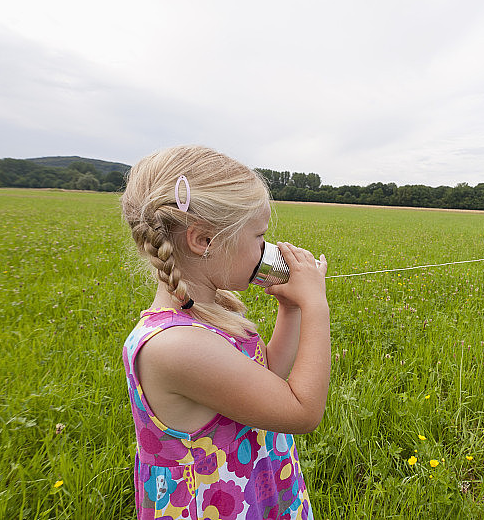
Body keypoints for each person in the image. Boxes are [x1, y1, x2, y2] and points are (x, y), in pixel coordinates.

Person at [120, 145, 330, 520]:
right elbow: (302, 411)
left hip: (253, 490)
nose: (266, 248)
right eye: (259, 236)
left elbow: (266, 377)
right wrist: (316, 305)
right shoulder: (177, 346)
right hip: (221, 506)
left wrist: (291, 308)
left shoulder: (206, 313)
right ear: (204, 240)